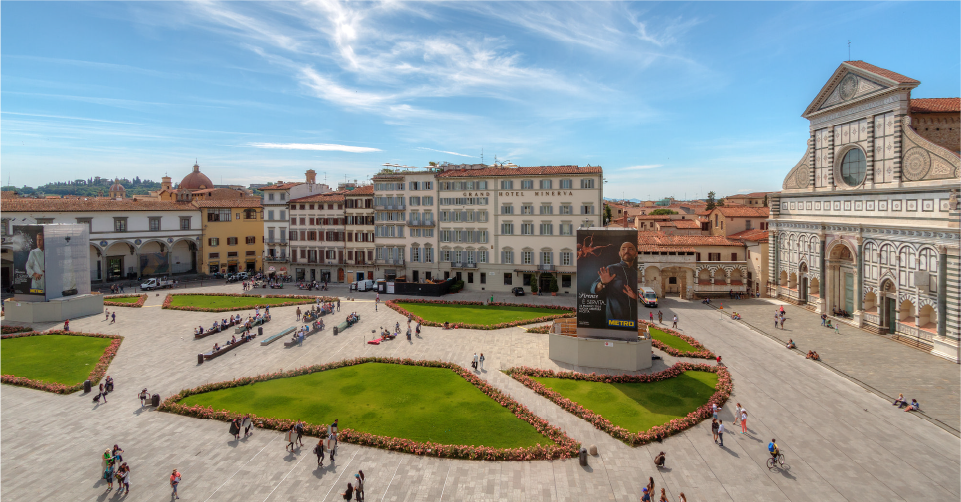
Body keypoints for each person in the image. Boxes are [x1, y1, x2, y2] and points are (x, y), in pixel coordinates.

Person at [589, 241, 638, 325]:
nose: (627, 251)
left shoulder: (636, 273)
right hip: (614, 320)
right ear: (619, 253)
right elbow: (593, 289)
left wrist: (635, 296)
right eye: (624, 249)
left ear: (636, 253)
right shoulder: (611, 269)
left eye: (630, 249)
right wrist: (602, 283)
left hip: (632, 321)